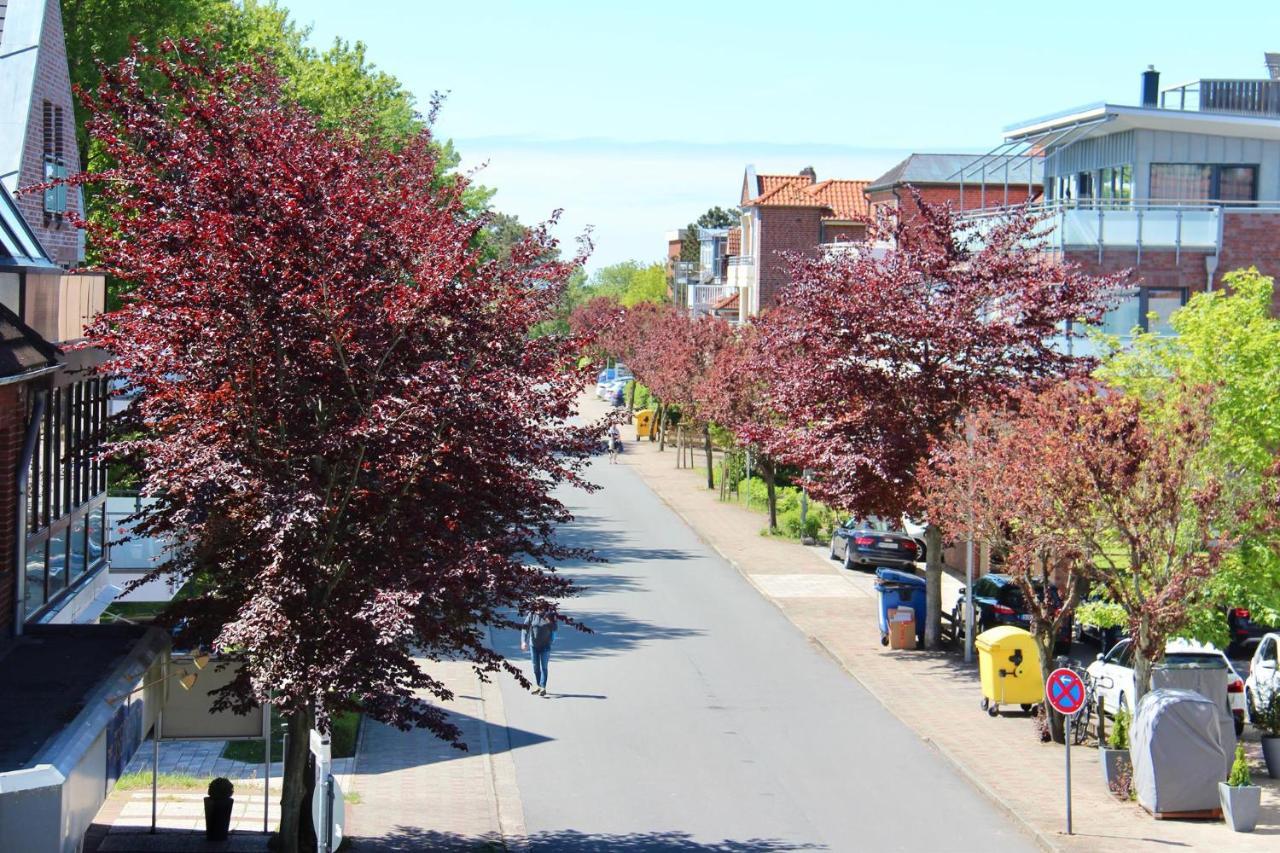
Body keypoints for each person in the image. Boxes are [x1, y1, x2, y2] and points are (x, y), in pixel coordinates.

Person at [521, 610, 557, 696]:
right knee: (535, 667)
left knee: (544, 667)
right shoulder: (531, 615)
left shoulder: (549, 614)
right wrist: (523, 641)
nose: (540, 608)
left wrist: (550, 622)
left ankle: (543, 687)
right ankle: (539, 686)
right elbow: (525, 628)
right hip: (533, 646)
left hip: (546, 646)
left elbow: (555, 628)